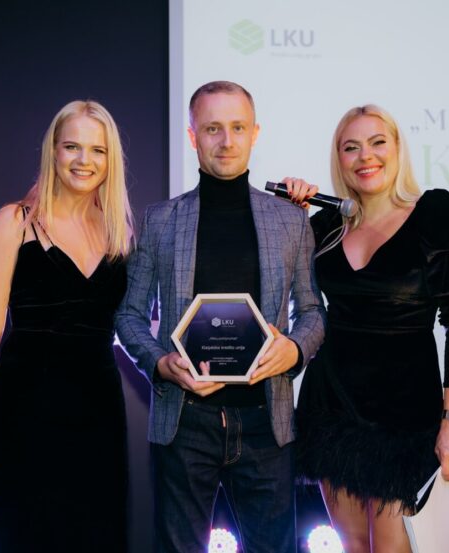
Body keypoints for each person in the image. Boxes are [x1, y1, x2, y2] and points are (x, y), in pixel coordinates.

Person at [115, 81, 325, 553]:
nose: (226, 141)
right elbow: (129, 315)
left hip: (267, 422)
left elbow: (312, 311)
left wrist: (293, 350)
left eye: (237, 128)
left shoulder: (291, 220)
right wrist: (161, 364)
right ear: (193, 136)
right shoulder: (159, 221)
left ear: (255, 133)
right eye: (213, 129)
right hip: (184, 420)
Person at [284, 105, 449, 553]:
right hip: (333, 409)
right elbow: (282, 293)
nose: (365, 156)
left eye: (378, 142)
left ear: (398, 149)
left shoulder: (437, 213)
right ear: (339, 159)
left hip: (406, 416)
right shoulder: (323, 225)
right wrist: (286, 216)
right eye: (351, 147)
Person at [0, 100, 134, 552]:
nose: (83, 160)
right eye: (72, 146)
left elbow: (132, 323)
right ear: (52, 151)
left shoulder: (120, 233)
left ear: (110, 159)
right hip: (24, 409)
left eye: (97, 150)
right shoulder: (15, 222)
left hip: (98, 412)